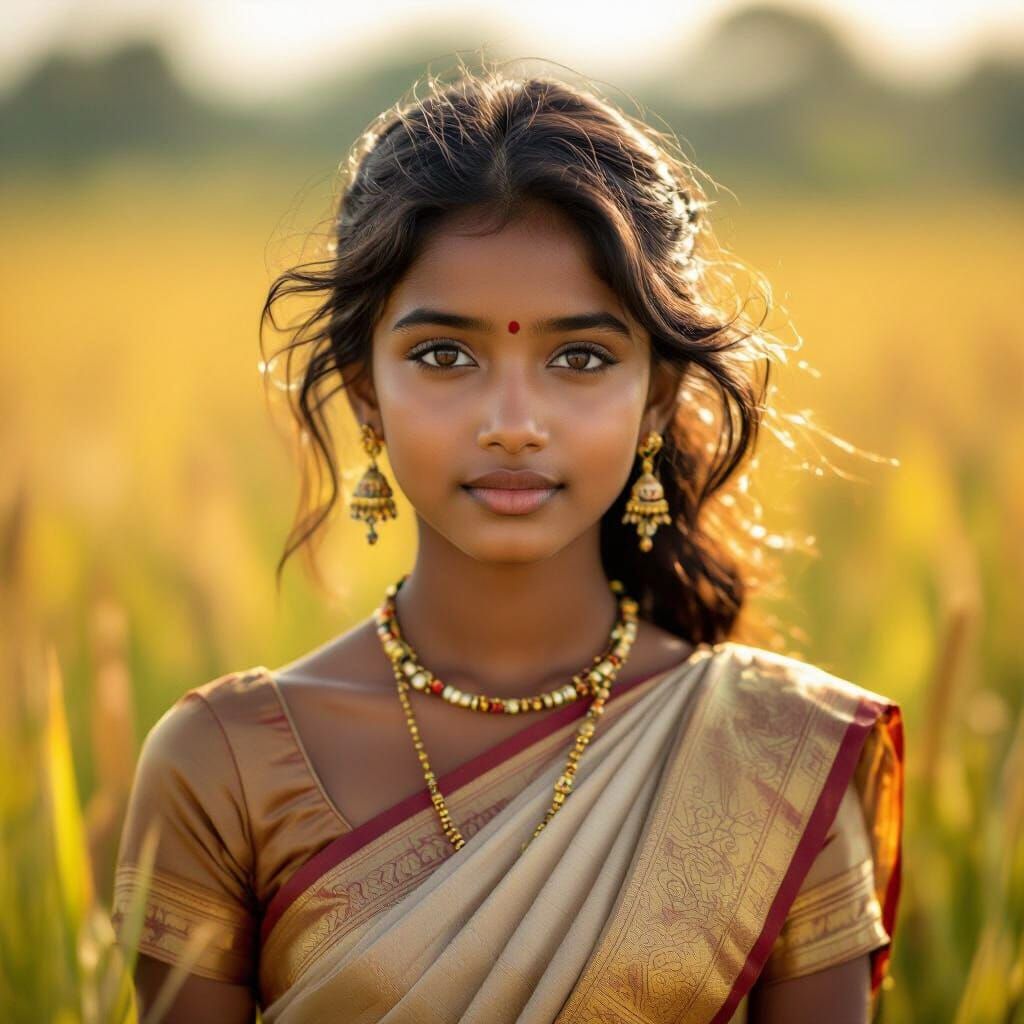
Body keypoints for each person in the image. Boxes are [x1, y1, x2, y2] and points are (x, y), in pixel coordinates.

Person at [111, 64, 904, 1023]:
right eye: (445, 355)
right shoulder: (220, 768)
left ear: (656, 394)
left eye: (581, 357)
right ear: (366, 388)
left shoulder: (774, 758)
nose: (513, 422)